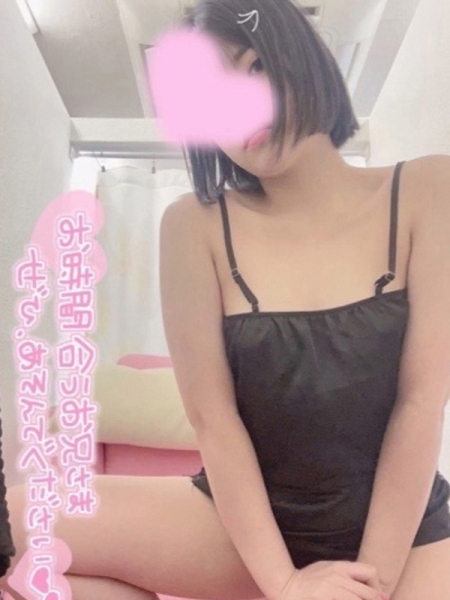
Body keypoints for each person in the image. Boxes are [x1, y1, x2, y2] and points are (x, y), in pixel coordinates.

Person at [2, 1, 450, 599]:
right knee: (17, 517)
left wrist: (369, 585)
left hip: (401, 531)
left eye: (255, 66)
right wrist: (286, 585)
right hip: (240, 527)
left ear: (306, 54)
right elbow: (215, 422)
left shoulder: (429, 188)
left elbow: (421, 403)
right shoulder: (193, 225)